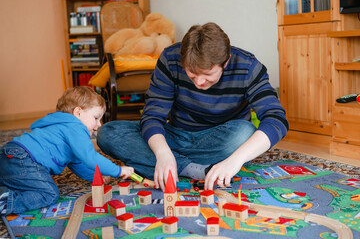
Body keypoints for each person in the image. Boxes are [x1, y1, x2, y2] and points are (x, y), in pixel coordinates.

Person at [97, 22, 288, 191]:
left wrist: (233, 162)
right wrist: (163, 154)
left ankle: (167, 164)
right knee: (108, 133)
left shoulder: (248, 67)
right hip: (174, 135)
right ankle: (195, 169)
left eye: (207, 74)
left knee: (245, 132)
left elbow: (276, 120)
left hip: (221, 139)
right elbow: (153, 116)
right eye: (191, 73)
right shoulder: (170, 59)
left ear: (226, 61)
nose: (199, 82)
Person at [0, 86, 134, 215]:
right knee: (49, 194)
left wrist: (96, 177)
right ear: (78, 112)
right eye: (96, 118)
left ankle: (5, 188)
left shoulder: (63, 128)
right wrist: (118, 170)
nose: (99, 124)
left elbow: (78, 164)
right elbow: (90, 157)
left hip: (11, 158)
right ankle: (5, 202)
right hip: (24, 159)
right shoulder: (74, 125)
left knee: (22, 185)